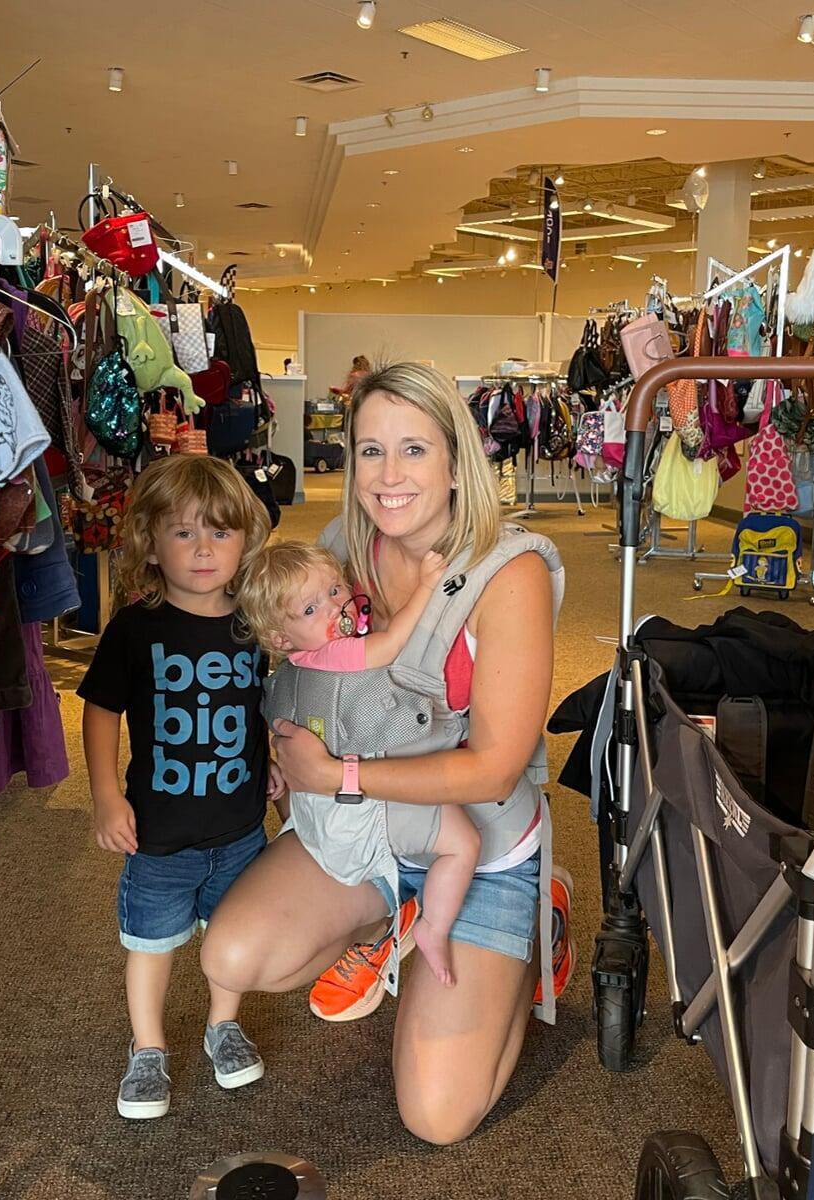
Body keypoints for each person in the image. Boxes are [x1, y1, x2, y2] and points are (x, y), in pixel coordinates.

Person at [203, 362, 572, 1145]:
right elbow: (304, 674)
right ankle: (389, 922)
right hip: (366, 833)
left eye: (413, 450)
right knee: (236, 956)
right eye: (370, 451)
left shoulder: (511, 573)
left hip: (478, 839)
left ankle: (540, 920)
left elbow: (494, 767)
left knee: (437, 1116)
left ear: (453, 460)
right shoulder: (338, 551)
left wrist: (338, 774)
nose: (389, 475)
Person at [77, 455, 281, 1121]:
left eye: (219, 533)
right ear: (150, 542)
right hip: (158, 835)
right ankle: (148, 1048)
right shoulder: (136, 628)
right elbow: (101, 711)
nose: (202, 550)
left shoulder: (255, 624)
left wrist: (276, 756)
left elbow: (265, 703)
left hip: (240, 828)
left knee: (231, 941)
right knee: (151, 944)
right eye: (183, 532)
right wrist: (106, 795)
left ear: (246, 542)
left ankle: (223, 1025)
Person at [235, 540, 480, 986]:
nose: (333, 608)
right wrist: (426, 585)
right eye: (310, 609)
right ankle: (431, 925)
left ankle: (389, 921)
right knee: (462, 843)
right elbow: (389, 644)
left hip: (320, 822)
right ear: (280, 638)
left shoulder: (288, 674)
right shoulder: (335, 655)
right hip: (370, 815)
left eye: (334, 590)